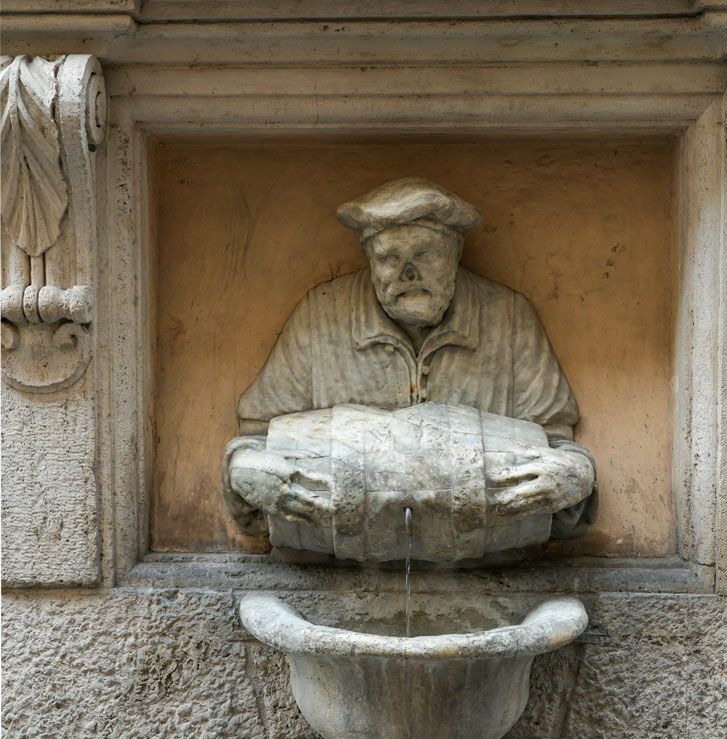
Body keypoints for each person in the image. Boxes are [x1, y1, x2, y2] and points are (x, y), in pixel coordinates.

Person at [224, 177, 596, 540]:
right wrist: (245, 468)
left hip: (486, 563)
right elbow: (256, 440)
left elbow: (556, 446)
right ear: (369, 259)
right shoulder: (321, 317)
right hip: (337, 566)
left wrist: (573, 476)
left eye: (424, 254)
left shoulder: (508, 318)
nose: (408, 274)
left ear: (455, 253)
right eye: (389, 258)